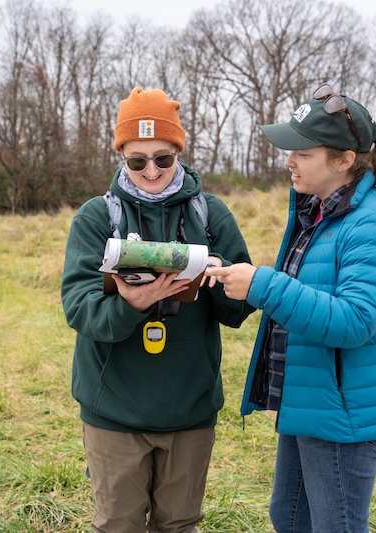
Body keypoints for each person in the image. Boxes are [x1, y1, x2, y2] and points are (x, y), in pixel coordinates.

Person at [206, 83, 376, 533]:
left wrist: (262, 284)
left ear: (344, 160)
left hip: (344, 413)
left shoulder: (375, 223)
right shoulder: (320, 212)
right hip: (312, 401)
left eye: (302, 152)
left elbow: (354, 320)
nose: (288, 160)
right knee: (288, 517)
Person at [61, 87, 255, 533]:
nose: (152, 170)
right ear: (122, 157)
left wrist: (222, 275)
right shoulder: (96, 218)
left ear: (179, 155)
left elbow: (237, 310)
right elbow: (79, 308)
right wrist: (128, 305)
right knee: (118, 524)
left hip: (190, 409)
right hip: (114, 410)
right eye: (138, 160)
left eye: (163, 159)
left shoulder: (211, 215)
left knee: (180, 523)